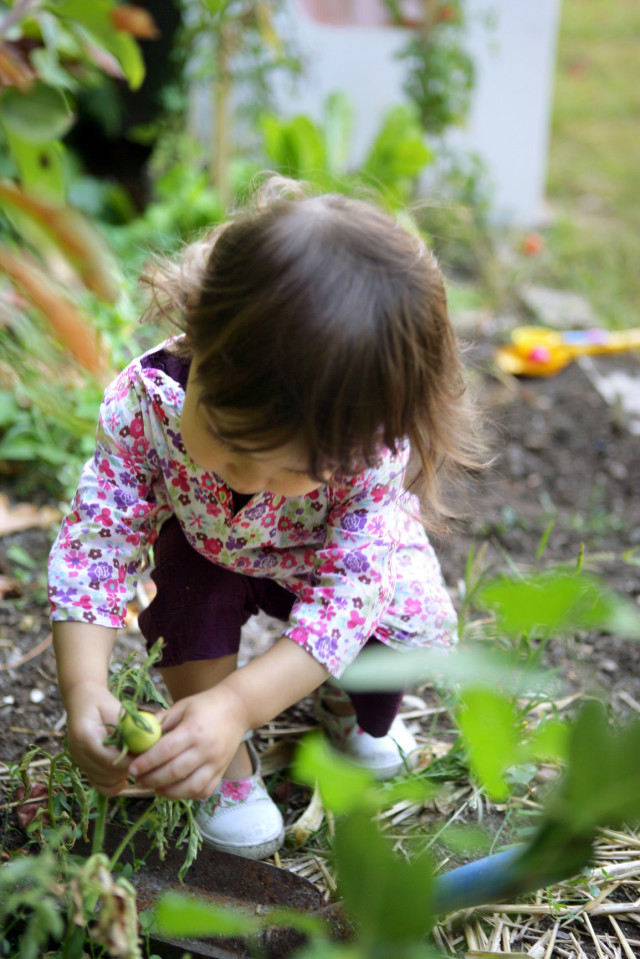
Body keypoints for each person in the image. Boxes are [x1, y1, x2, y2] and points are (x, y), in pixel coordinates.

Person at [48, 176, 484, 860]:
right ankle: (222, 761)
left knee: (392, 627)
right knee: (187, 586)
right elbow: (94, 548)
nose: (248, 476)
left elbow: (349, 595)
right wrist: (84, 688)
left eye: (291, 470)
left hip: (331, 565)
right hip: (212, 548)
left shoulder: (367, 453)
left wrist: (244, 702)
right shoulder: (145, 408)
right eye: (225, 433)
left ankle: (344, 708)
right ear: (201, 337)